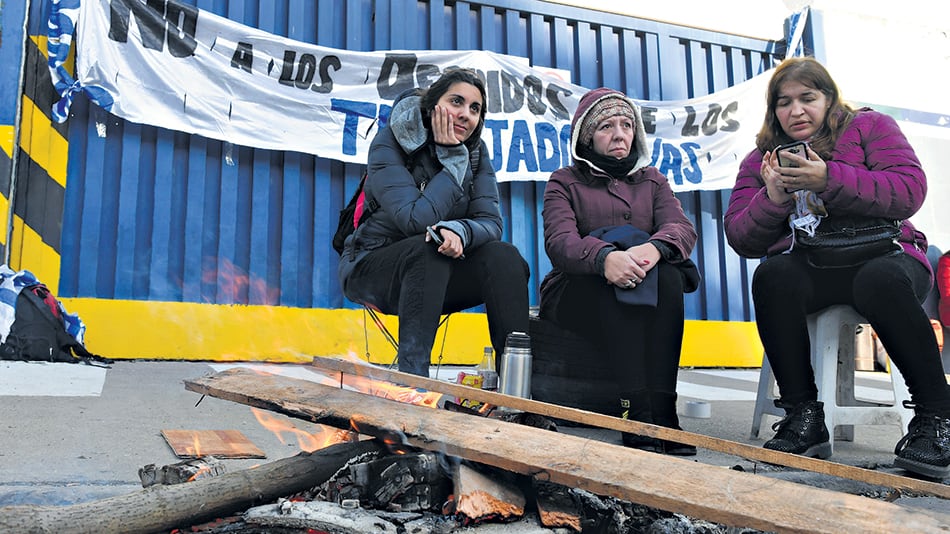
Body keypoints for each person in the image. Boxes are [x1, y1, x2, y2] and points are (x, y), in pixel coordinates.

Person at [724, 56, 950, 479]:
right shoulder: (760, 161)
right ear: (773, 110)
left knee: (880, 280)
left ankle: (937, 418)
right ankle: (803, 417)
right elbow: (740, 237)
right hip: (815, 264)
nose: (796, 111)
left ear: (829, 99)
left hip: (887, 255)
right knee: (772, 276)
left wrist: (829, 179)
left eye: (807, 98)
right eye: (784, 102)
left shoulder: (870, 127)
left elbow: (909, 190)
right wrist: (772, 200)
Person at [338, 68, 530, 378]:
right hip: (372, 268)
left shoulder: (476, 153)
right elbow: (414, 220)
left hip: (437, 274)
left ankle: (516, 386)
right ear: (432, 105)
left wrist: (460, 230)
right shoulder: (391, 142)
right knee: (427, 249)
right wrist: (453, 162)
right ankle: (415, 385)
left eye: (475, 109)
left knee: (505, 257)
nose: (466, 114)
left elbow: (491, 223)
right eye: (456, 101)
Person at [540, 87, 700, 455]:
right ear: (586, 136)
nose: (619, 134)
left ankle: (664, 410)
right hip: (576, 291)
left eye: (626, 125)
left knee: (669, 276)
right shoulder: (564, 181)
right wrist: (604, 259)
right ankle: (634, 409)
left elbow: (680, 228)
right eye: (606, 126)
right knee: (614, 285)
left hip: (643, 278)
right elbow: (560, 242)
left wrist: (653, 249)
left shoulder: (652, 180)